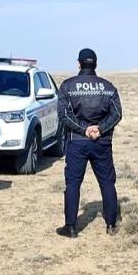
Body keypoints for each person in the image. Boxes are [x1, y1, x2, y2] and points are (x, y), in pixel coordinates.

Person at [56, 48, 122, 238]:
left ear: (79, 64)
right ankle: (111, 224)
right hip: (102, 142)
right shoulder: (107, 87)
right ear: (96, 64)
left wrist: (85, 130)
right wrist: (99, 129)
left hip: (77, 142)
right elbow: (117, 114)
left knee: (73, 183)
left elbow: (64, 114)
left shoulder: (68, 86)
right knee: (107, 182)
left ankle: (70, 227)